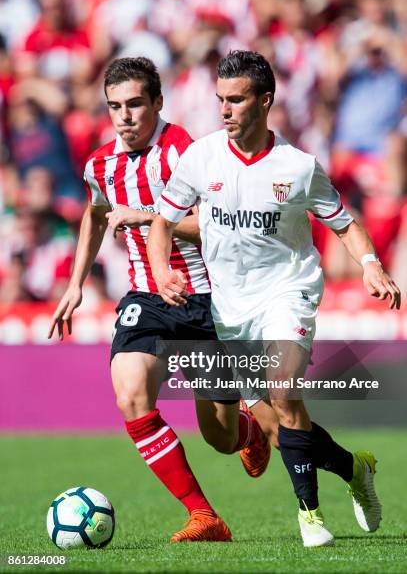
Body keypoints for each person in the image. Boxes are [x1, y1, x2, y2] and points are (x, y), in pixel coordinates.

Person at [147, 50, 401, 548]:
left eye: (236, 100)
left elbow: (345, 225)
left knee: (283, 393)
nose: (224, 109)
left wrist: (371, 265)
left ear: (265, 101)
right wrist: (160, 270)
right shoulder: (201, 157)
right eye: (220, 99)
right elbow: (163, 222)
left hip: (288, 289)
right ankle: (355, 468)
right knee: (281, 426)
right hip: (230, 307)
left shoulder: (299, 167)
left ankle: (311, 519)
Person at [48, 56, 273, 543]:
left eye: (134, 104)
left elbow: (215, 222)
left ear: (157, 103)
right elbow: (95, 211)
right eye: (115, 107)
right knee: (130, 394)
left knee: (219, 436)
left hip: (206, 299)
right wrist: (74, 282)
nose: (125, 116)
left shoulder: (184, 153)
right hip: (148, 297)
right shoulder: (100, 164)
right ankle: (204, 516)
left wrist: (145, 215)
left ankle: (248, 432)